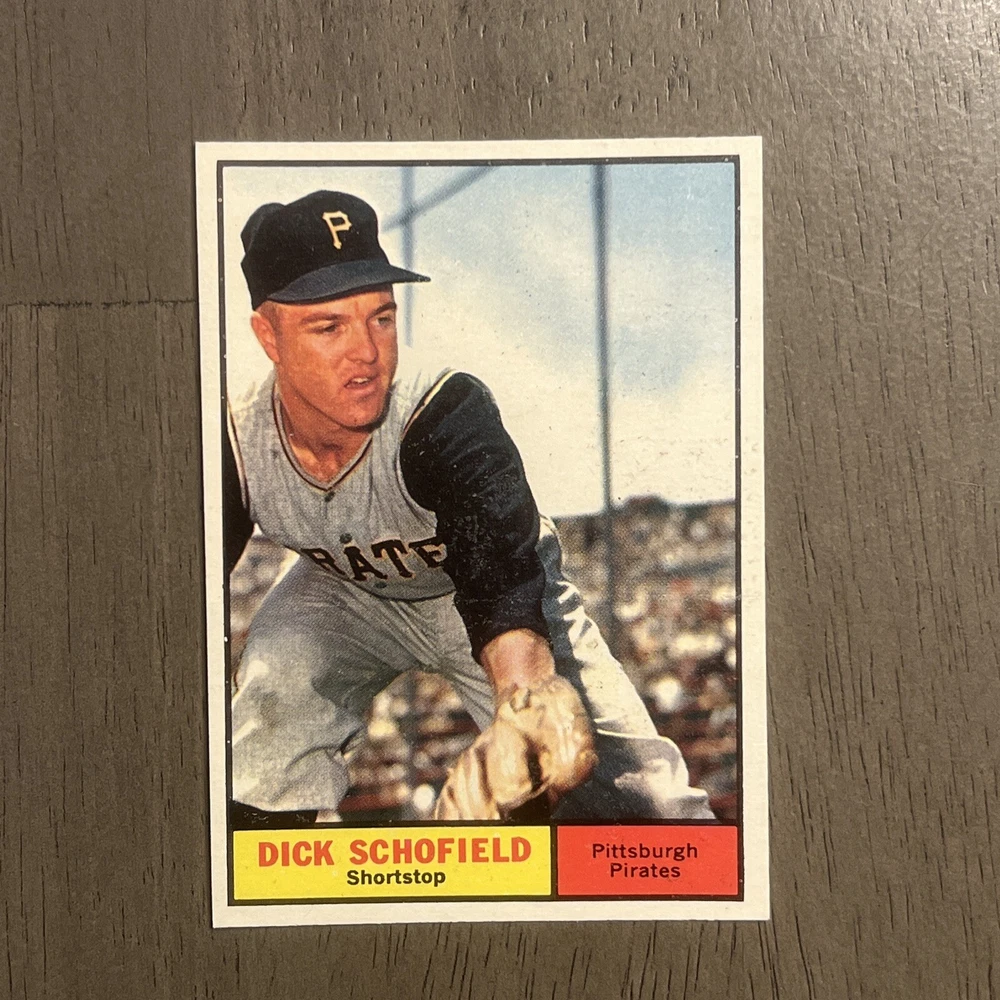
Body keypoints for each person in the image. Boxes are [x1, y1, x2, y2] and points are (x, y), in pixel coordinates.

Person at [225, 189, 713, 825]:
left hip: (475, 596)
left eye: (381, 317)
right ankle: (258, 848)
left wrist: (524, 701)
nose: (366, 351)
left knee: (643, 810)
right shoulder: (233, 437)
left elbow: (500, 577)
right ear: (269, 335)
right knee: (278, 680)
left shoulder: (440, 408)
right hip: (342, 594)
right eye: (329, 327)